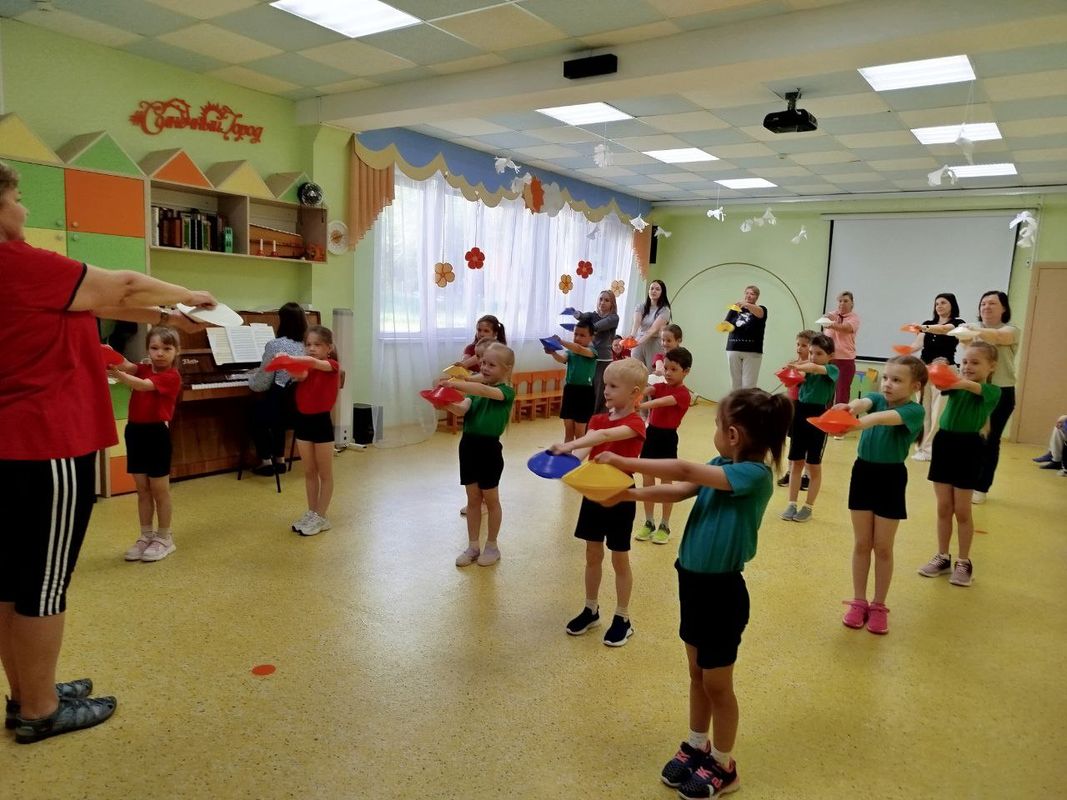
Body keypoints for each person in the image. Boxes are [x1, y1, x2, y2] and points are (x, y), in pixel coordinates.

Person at [0, 160, 216, 743]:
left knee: (11, 581)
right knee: (43, 583)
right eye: (16, 198)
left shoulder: (24, 278)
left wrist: (165, 314)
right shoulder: (18, 262)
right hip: (44, 443)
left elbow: (99, 304)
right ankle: (40, 709)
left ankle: (26, 691)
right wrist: (190, 296)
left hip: (11, 444)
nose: (24, 209)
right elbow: (120, 287)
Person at [595, 388, 792, 799]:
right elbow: (679, 488)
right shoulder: (721, 465)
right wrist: (630, 494)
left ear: (733, 434)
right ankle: (697, 743)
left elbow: (683, 468)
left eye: (718, 425)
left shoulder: (753, 476)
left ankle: (723, 763)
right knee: (697, 675)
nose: (716, 432)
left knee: (718, 685)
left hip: (723, 593)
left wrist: (625, 461)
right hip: (693, 584)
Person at [549, 358, 648, 647]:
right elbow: (585, 451)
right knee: (593, 554)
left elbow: (605, 436)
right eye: (605, 384)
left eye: (613, 386)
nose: (605, 390)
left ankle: (623, 617)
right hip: (594, 496)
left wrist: (568, 443)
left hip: (620, 497)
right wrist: (561, 462)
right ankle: (591, 609)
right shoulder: (597, 419)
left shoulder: (635, 423)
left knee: (619, 557)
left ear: (634, 393)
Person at [836, 355, 926, 635]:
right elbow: (864, 403)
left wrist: (856, 424)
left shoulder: (914, 411)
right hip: (863, 474)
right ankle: (859, 601)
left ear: (915, 386)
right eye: (886, 377)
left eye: (897, 380)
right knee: (862, 543)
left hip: (891, 479)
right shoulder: (877, 398)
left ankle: (878, 605)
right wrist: (848, 408)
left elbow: (880, 418)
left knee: (883, 546)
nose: (887, 384)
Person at [917, 342, 1000, 588]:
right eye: (964, 361)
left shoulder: (992, 391)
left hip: (969, 448)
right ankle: (942, 556)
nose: (967, 366)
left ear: (991, 367)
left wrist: (951, 375)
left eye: (975, 362)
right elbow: (942, 383)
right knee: (944, 507)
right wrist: (939, 367)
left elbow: (967, 385)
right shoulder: (954, 385)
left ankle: (964, 561)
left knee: (962, 510)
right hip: (945, 444)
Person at [108, 326, 183, 562]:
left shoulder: (171, 376)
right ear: (148, 349)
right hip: (135, 433)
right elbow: (126, 365)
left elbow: (142, 385)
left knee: (160, 490)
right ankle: (146, 535)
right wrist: (108, 354)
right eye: (154, 348)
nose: (159, 353)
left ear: (176, 351)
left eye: (167, 348)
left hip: (156, 435)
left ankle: (165, 537)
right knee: (142, 490)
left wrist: (117, 374)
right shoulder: (142, 368)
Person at [441, 343, 517, 567]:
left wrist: (455, 383)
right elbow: (462, 409)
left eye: (491, 365)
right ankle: (473, 546)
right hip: (468, 447)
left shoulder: (505, 392)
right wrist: (445, 403)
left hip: (489, 450)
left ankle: (492, 546)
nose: (484, 367)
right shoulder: (474, 392)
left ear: (506, 369)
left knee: (491, 500)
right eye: (483, 362)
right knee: (473, 499)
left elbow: (483, 391)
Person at [961, 291, 1019, 504]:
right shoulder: (971, 330)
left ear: (1004, 308)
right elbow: (967, 354)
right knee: (969, 438)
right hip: (974, 389)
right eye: (983, 303)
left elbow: (998, 337)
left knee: (989, 440)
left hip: (1001, 392)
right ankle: (966, 482)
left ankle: (981, 487)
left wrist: (971, 330)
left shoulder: (1010, 330)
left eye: (992, 303)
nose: (986, 306)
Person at [636, 347, 693, 544]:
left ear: (686, 371)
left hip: (668, 438)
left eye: (674, 369)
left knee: (666, 483)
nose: (668, 373)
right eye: (666, 368)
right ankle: (649, 522)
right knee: (648, 481)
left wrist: (640, 405)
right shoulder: (659, 386)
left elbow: (661, 402)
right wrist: (635, 392)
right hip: (650, 435)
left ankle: (665, 524)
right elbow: (647, 390)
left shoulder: (684, 394)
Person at [780, 334, 838, 523]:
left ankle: (808, 506)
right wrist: (789, 374)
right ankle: (791, 503)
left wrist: (797, 366)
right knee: (796, 461)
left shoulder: (831, 369)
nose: (813, 357)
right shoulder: (807, 369)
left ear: (830, 356)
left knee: (813, 465)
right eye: (811, 352)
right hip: (800, 414)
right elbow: (792, 381)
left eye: (819, 353)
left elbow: (814, 367)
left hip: (819, 417)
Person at [288, 325, 340, 537]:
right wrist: (288, 365)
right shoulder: (306, 368)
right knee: (309, 471)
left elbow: (315, 363)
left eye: (317, 345)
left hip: (321, 423)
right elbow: (299, 373)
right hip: (303, 422)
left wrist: (294, 358)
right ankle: (312, 512)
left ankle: (321, 516)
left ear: (329, 348)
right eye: (308, 344)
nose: (311, 348)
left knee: (325, 473)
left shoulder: (331, 365)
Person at [248, 302, 308, 476]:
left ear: (282, 321)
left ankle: (266, 461)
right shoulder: (309, 345)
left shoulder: (275, 345)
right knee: (277, 409)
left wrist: (250, 377)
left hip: (281, 409)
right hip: (300, 411)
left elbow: (261, 384)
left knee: (255, 412)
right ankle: (280, 459)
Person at [906, 293, 966, 461]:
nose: (939, 306)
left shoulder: (958, 323)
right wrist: (904, 351)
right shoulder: (927, 323)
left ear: (952, 305)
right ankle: (921, 447)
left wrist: (923, 328)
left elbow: (945, 329)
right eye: (937, 303)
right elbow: (917, 345)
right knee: (923, 410)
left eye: (943, 303)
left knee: (938, 412)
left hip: (944, 372)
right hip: (925, 371)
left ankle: (931, 450)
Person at [777, 330, 816, 489]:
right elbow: (789, 383)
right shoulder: (794, 363)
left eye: (804, 345)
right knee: (793, 441)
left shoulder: (812, 367)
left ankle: (806, 475)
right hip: (792, 405)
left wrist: (796, 372)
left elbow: (803, 379)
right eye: (798, 344)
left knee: (805, 442)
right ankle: (790, 472)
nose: (799, 348)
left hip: (804, 406)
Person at [545, 322, 597, 442]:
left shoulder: (592, 352)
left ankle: (578, 454)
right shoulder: (570, 352)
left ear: (591, 337)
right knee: (568, 431)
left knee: (580, 433)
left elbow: (579, 349)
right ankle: (567, 453)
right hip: (570, 390)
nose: (577, 338)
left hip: (585, 393)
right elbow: (562, 359)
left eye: (582, 335)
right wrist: (553, 353)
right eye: (575, 334)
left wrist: (560, 341)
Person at [569, 291, 619, 414]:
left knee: (599, 390)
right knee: (588, 389)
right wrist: (576, 314)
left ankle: (596, 418)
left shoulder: (613, 318)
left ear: (612, 304)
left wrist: (580, 329)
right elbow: (583, 316)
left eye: (606, 300)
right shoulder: (593, 315)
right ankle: (587, 416)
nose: (602, 302)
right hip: (590, 356)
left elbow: (598, 326)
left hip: (603, 360)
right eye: (601, 299)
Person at [724, 285, 768, 390]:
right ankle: (736, 401)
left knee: (749, 385)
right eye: (747, 293)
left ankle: (748, 401)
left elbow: (760, 313)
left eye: (752, 294)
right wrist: (724, 326)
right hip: (733, 348)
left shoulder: (761, 309)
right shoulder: (735, 308)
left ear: (757, 297)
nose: (748, 296)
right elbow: (726, 323)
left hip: (752, 350)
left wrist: (746, 305)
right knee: (735, 384)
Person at [822, 291, 861, 407]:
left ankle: (839, 417)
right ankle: (824, 416)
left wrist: (831, 323)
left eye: (845, 301)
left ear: (852, 303)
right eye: (840, 301)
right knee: (826, 393)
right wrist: (826, 319)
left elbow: (846, 328)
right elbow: (824, 323)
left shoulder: (854, 318)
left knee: (842, 395)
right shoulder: (832, 314)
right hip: (828, 360)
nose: (842, 303)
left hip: (845, 361)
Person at [628, 280, 672, 370]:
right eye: (651, 288)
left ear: (662, 292)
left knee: (651, 372)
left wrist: (638, 342)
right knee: (635, 370)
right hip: (639, 341)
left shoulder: (665, 310)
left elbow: (653, 329)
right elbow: (636, 323)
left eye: (657, 289)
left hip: (655, 342)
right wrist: (632, 336)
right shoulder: (640, 306)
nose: (653, 291)